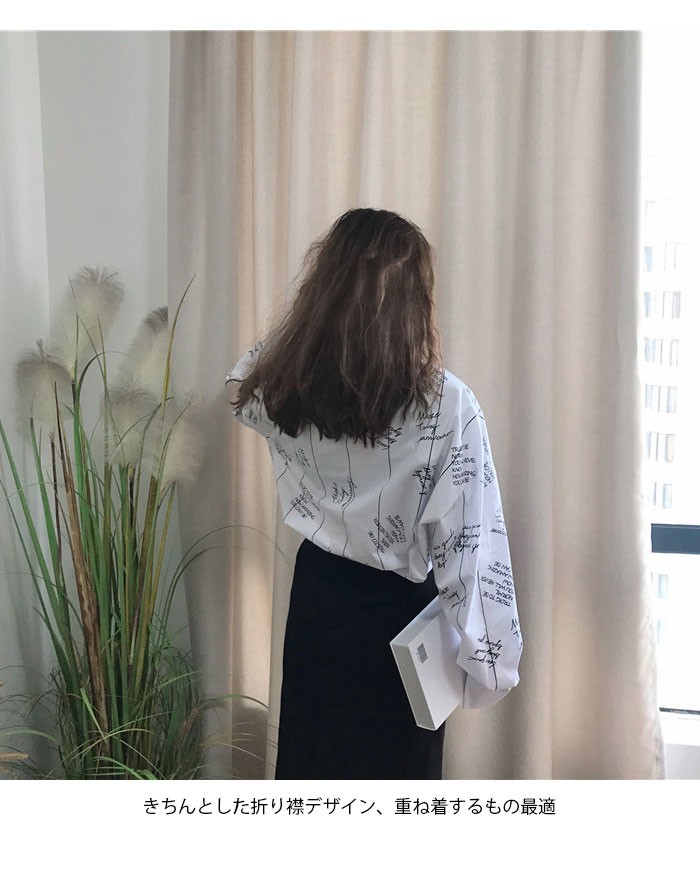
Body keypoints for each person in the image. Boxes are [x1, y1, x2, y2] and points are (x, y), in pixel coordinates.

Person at [226, 207, 521, 780]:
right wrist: (490, 671)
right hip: (400, 622)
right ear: (415, 302)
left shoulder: (286, 381)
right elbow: (473, 551)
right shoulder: (446, 405)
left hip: (317, 602)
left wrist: (313, 334)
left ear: (323, 286)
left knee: (313, 777)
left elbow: (241, 381)